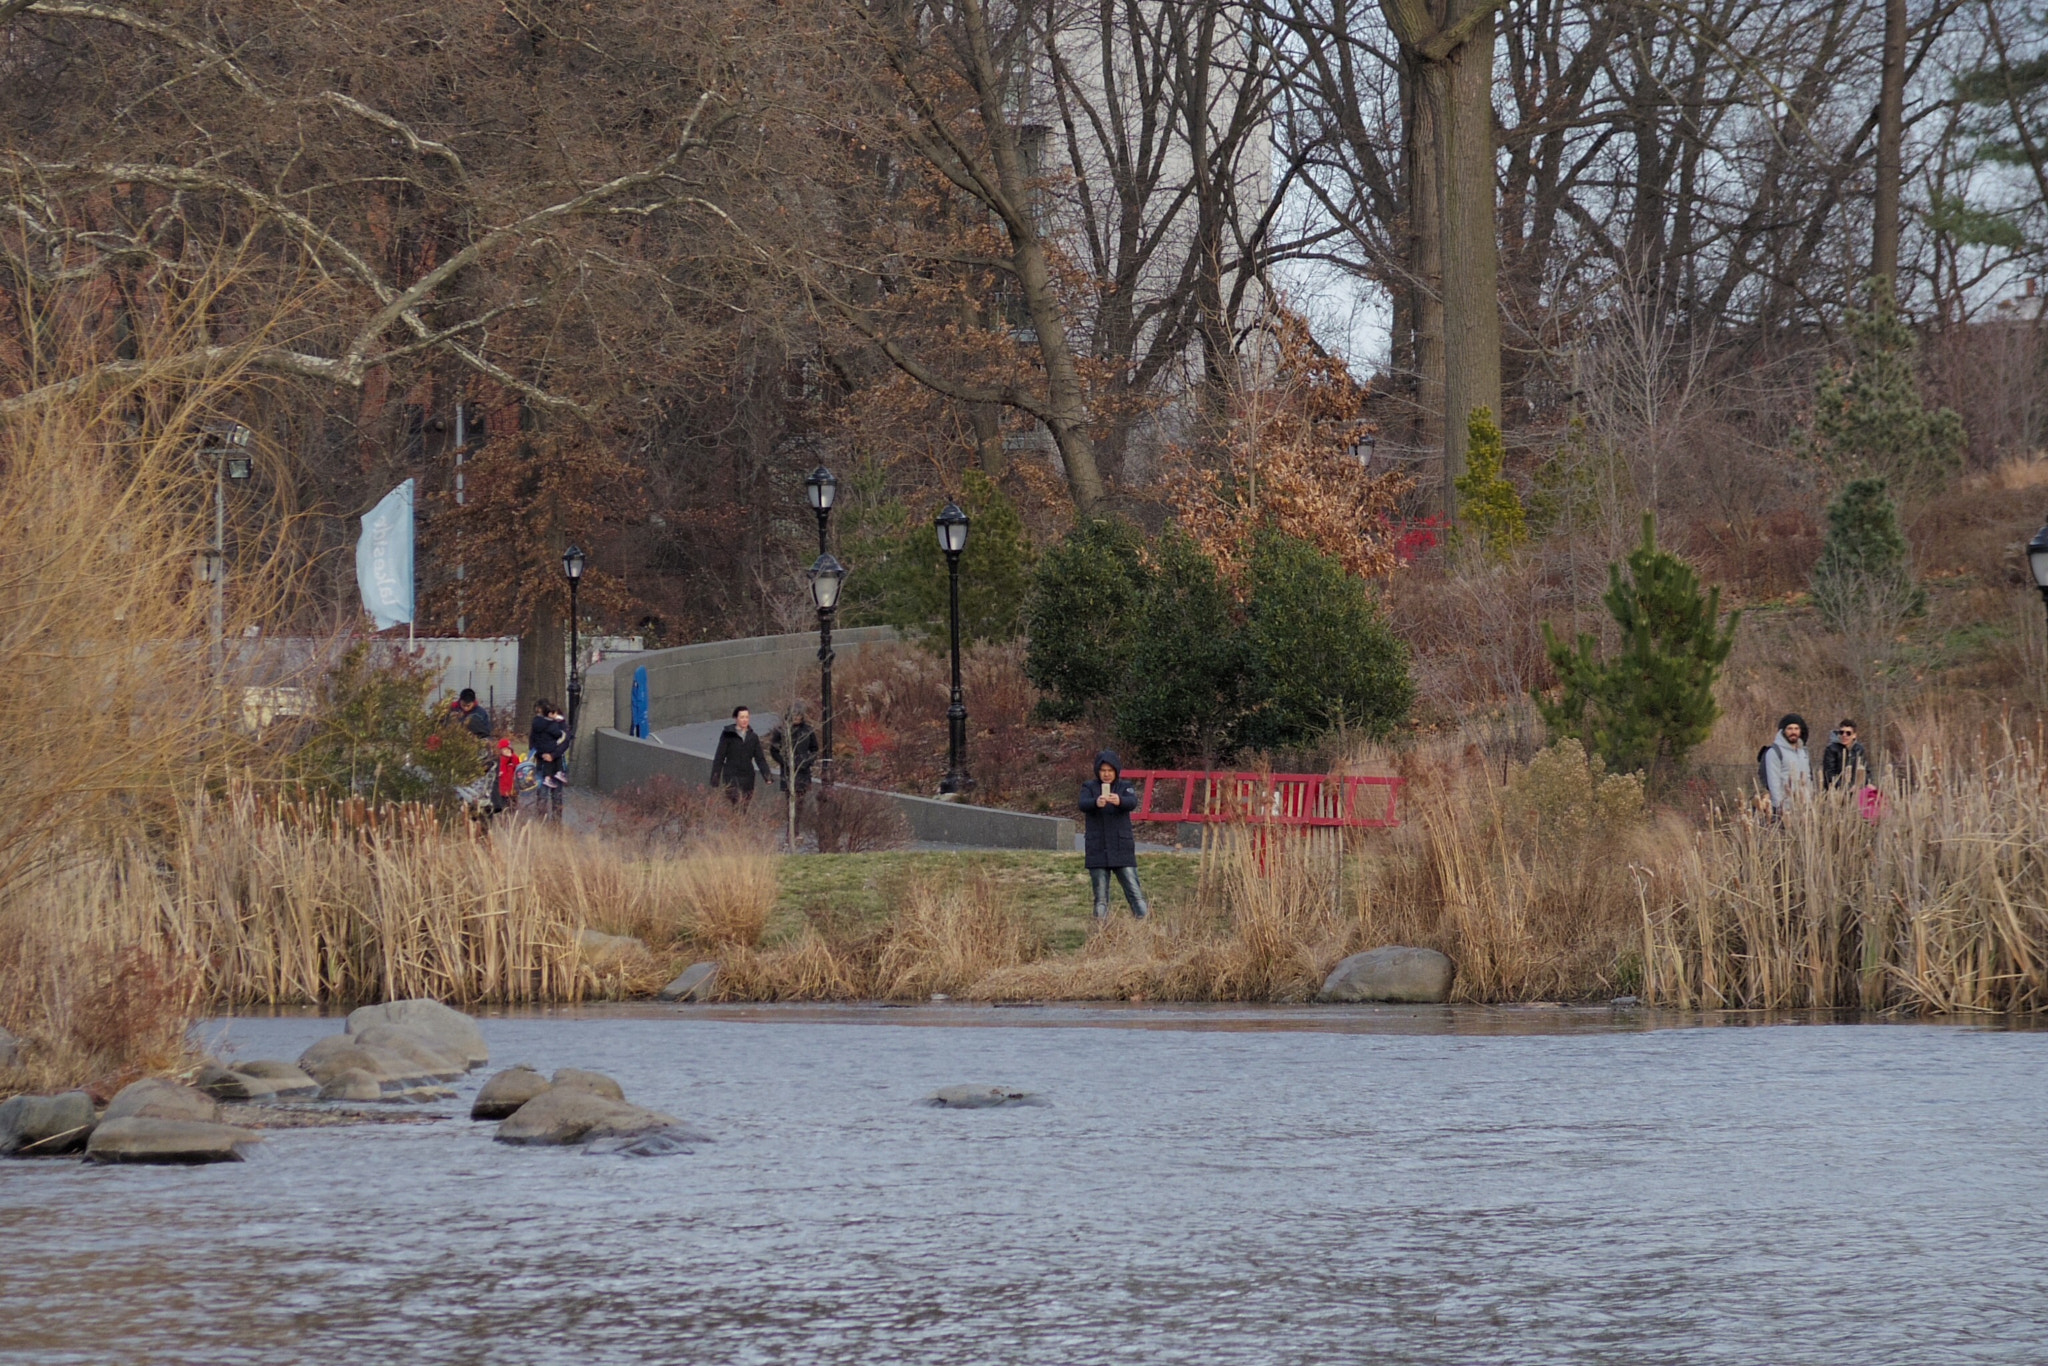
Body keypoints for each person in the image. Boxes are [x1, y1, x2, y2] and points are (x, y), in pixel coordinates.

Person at [1078, 750, 1149, 921]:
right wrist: (1096, 802)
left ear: (1116, 771)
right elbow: (1082, 803)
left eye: (1110, 770)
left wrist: (1119, 801)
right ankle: (1101, 934)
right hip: (1097, 848)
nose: (1107, 774)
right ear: (1098, 771)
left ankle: (1146, 926)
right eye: (1103, 770)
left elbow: (1132, 802)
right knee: (1100, 898)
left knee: (1135, 893)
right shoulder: (1089, 787)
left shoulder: (1125, 786)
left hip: (1121, 848)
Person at [708, 705, 773, 805]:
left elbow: (760, 758)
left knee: (744, 805)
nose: (745, 720)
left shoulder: (753, 737)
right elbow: (719, 757)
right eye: (742, 717)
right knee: (736, 802)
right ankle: (736, 820)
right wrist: (715, 776)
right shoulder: (728, 735)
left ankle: (741, 821)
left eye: (747, 717)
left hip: (747, 776)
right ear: (736, 718)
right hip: (731, 775)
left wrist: (767, 775)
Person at [1760, 713, 1811, 818]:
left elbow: (1808, 779)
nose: (1793, 732)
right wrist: (1780, 807)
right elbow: (1773, 782)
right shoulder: (1774, 752)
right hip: (1785, 809)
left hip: (1804, 808)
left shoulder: (1803, 752)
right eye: (1790, 728)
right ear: (1783, 731)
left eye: (1796, 728)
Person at [529, 699, 569, 822]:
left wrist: (553, 754)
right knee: (542, 794)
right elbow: (533, 742)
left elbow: (565, 742)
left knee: (556, 795)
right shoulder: (539, 724)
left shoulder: (560, 723)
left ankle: (556, 822)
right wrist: (542, 754)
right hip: (542, 761)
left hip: (556, 761)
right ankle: (542, 821)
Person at [768, 704, 820, 797]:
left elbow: (814, 749)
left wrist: (807, 761)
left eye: (798, 715)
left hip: (803, 769)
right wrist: (784, 762)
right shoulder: (781, 730)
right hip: (788, 770)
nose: (796, 717)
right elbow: (774, 750)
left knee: (801, 799)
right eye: (794, 715)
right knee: (789, 799)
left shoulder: (808, 730)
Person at [1821, 720, 1868, 791]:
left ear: (1854, 735)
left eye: (1848, 733)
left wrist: (1863, 784)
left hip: (1856, 791)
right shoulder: (1831, 749)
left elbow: (1866, 770)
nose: (1844, 735)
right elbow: (1829, 774)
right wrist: (1845, 788)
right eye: (1841, 732)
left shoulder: (1859, 749)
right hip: (1835, 792)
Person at [491, 737, 520, 815]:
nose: (507, 751)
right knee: (502, 808)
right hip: (501, 791)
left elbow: (518, 769)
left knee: (512, 808)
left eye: (508, 749)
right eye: (504, 749)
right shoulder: (499, 760)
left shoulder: (515, 758)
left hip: (512, 790)